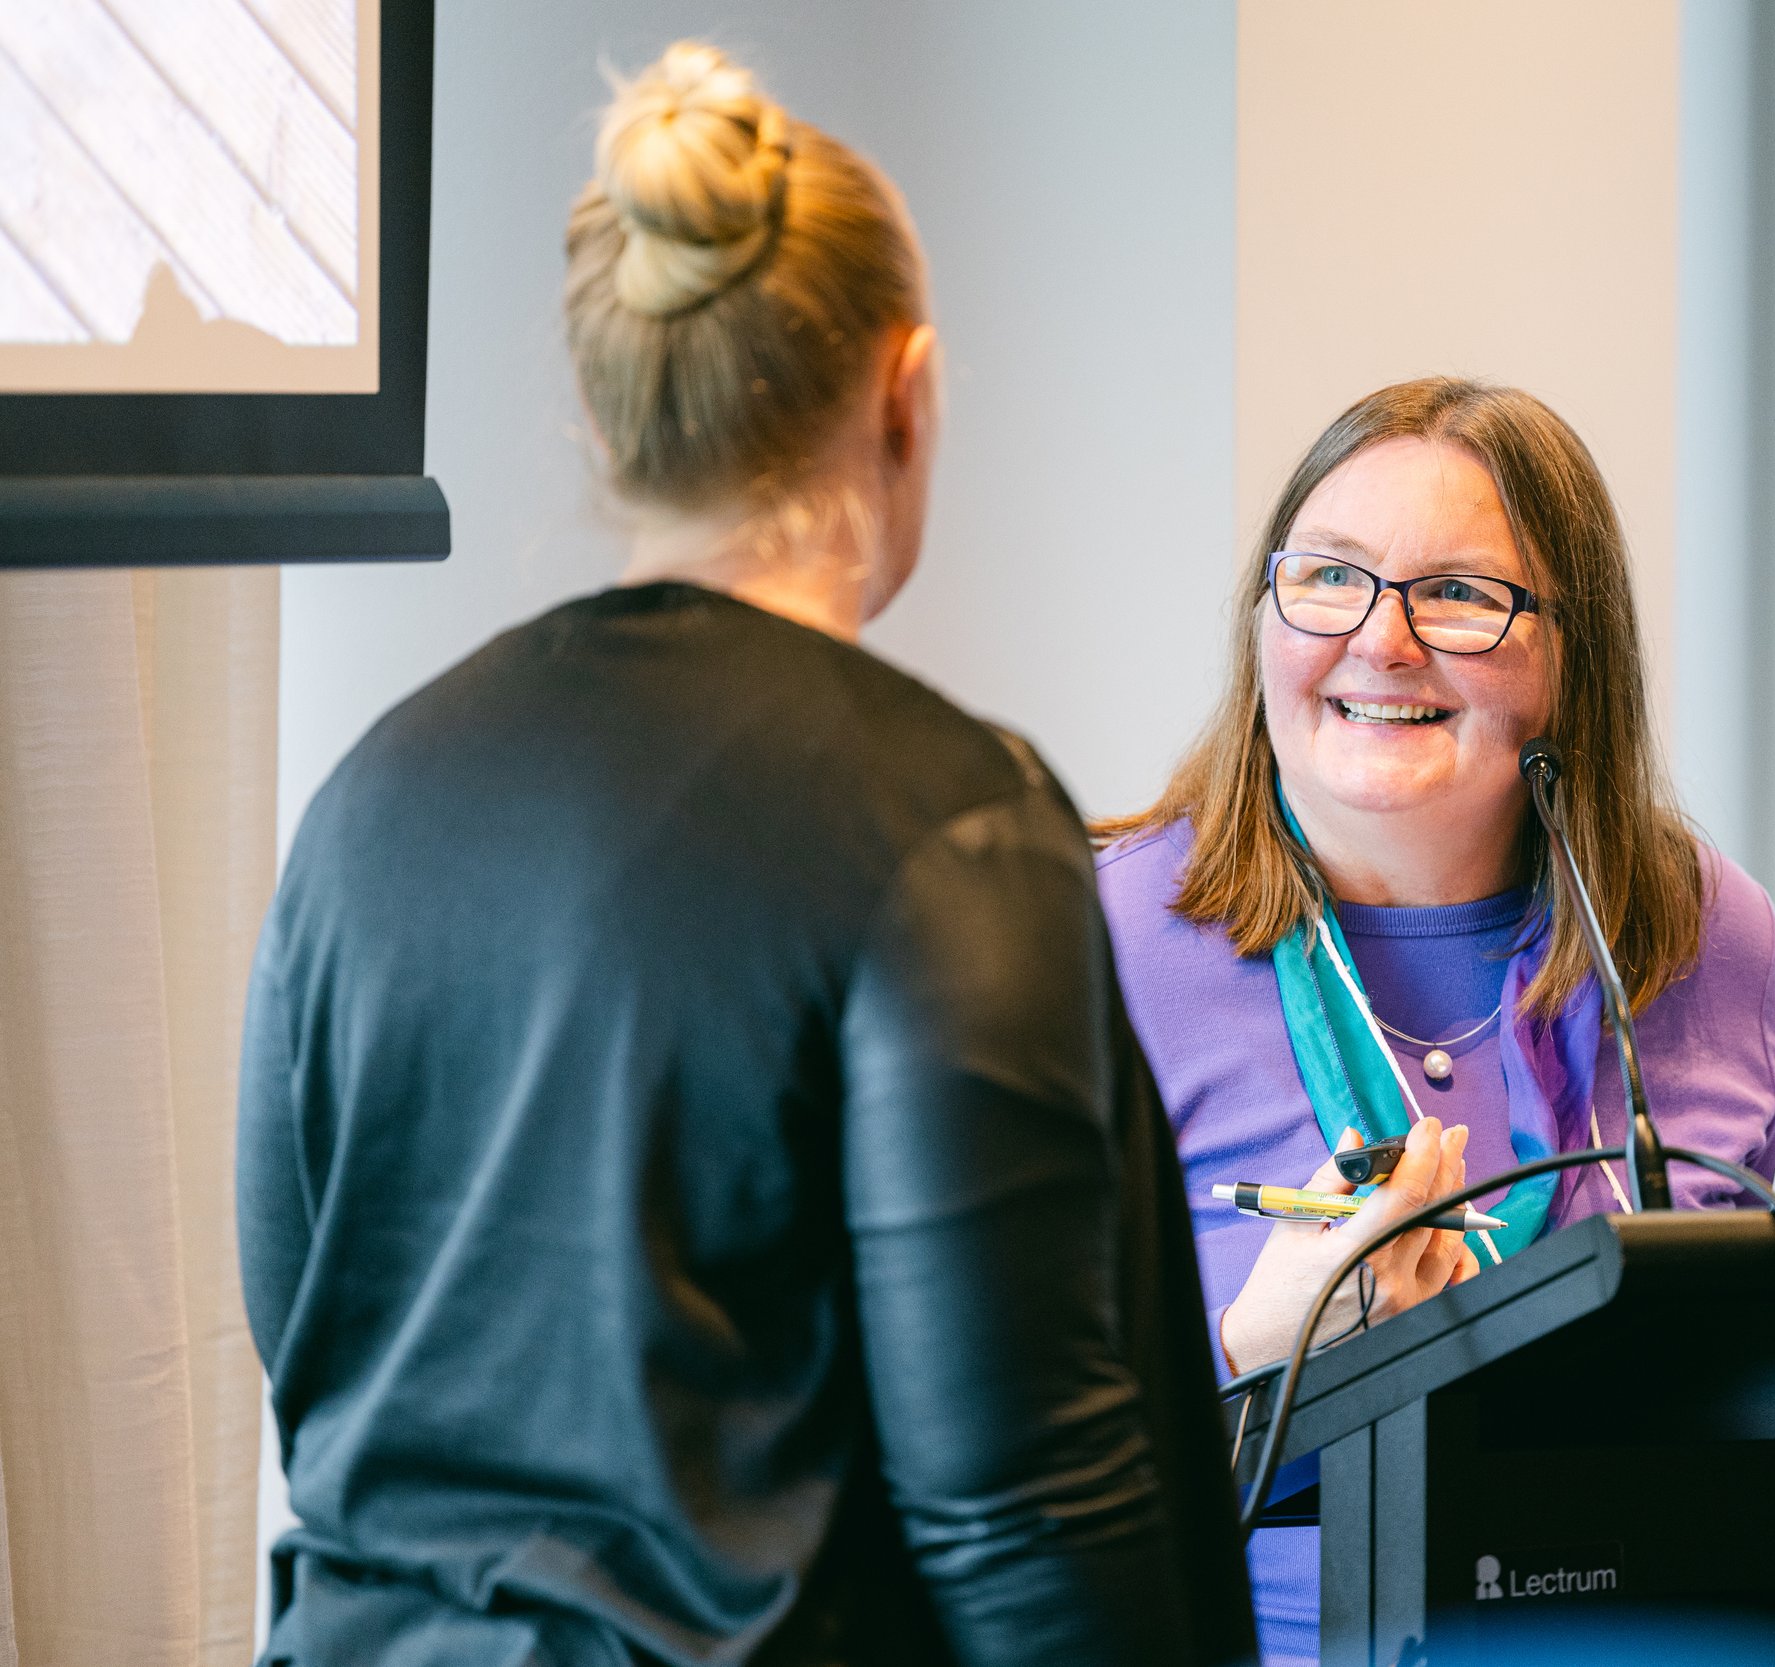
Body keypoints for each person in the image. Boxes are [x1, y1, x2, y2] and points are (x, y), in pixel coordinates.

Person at [237, 43, 1253, 1667]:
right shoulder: (949, 822)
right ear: (904, 394)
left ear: (602, 411)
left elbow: (315, 1345)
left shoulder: (372, 800)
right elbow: (1027, 1516)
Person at [1095, 377, 1775, 1664]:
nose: (1380, 640)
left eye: (1460, 596)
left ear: (1571, 655)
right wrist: (1255, 1354)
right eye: (1329, 577)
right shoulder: (1099, 943)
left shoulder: (1711, 933)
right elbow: (978, 1477)